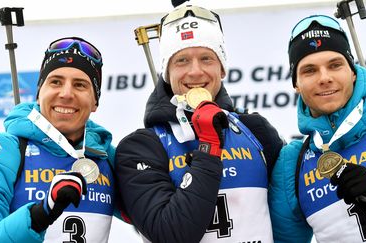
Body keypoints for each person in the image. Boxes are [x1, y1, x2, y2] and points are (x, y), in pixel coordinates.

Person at [115, 3, 284, 243]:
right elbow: (171, 235)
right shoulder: (141, 147)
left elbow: (289, 219)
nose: (195, 72)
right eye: (182, 60)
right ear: (167, 72)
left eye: (206, 58)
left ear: (222, 68)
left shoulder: (256, 131)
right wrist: (208, 147)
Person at [269, 15, 366, 242]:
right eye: (309, 70)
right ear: (296, 83)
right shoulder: (291, 163)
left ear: (353, 72)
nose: (324, 78)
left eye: (335, 65)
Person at [0, 37, 118, 242]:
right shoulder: (2, 151)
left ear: (95, 101)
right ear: (39, 93)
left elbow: (155, 219)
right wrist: (41, 213)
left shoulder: (106, 155)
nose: (66, 94)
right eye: (55, 82)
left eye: (80, 85)